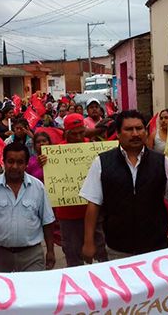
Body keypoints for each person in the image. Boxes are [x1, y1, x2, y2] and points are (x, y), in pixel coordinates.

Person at [80, 110, 168, 261]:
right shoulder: (102, 162)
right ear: (118, 133)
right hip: (118, 248)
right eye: (129, 129)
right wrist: (88, 242)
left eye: (139, 128)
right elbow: (93, 204)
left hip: (155, 248)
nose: (135, 133)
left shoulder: (161, 162)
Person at [0, 142, 55, 272]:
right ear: (3, 162)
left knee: (31, 291)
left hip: (32, 255)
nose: (15, 166)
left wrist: (50, 251)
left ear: (26, 164)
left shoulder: (38, 187)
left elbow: (47, 221)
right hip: (2, 255)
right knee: (6, 292)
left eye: (20, 162)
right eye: (10, 161)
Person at [55, 113, 108, 266]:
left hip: (93, 211)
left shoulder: (93, 148)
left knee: (100, 254)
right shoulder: (56, 152)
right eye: (74, 133)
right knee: (73, 256)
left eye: (81, 132)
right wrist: (43, 163)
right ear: (66, 133)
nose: (78, 137)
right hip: (68, 215)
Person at [146, 108, 168, 243]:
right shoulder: (154, 135)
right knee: (163, 202)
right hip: (159, 172)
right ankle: (163, 229)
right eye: (161, 118)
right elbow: (148, 152)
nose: (163, 121)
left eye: (167, 118)